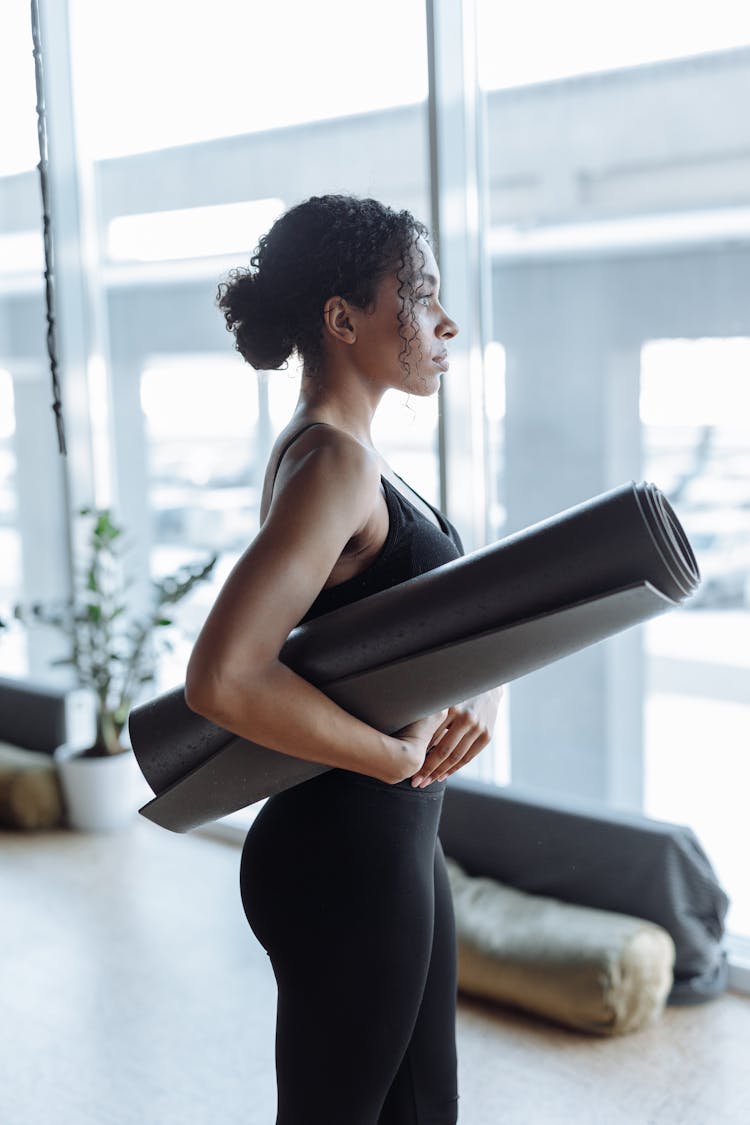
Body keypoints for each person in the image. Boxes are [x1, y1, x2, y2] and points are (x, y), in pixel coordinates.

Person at [185, 194, 501, 1125]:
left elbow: (403, 632)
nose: (446, 323)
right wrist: (396, 757)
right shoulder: (335, 464)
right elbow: (225, 675)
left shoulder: (350, 454)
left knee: (419, 1109)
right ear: (343, 317)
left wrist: (474, 686)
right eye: (422, 296)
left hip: (388, 841)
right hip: (345, 852)